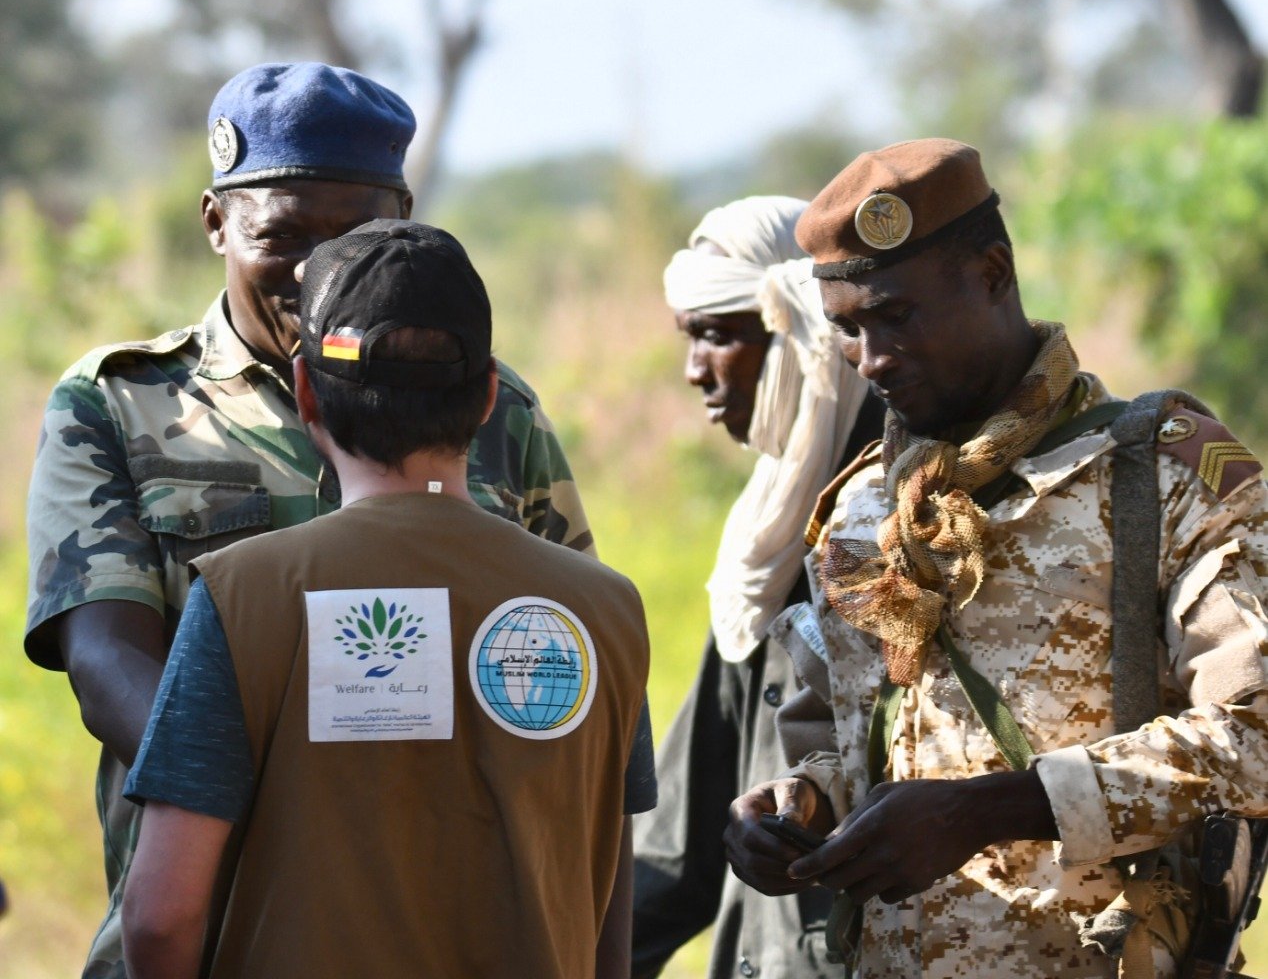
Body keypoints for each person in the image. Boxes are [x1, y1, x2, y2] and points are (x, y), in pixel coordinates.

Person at [24, 62, 595, 979]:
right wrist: (292, 800)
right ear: (216, 222)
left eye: (357, 232)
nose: (318, 271)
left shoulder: (492, 408)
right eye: (281, 235)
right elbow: (104, 658)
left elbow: (558, 657)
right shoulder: (123, 405)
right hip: (215, 924)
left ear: (404, 214)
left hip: (449, 925)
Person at [722, 139, 1268, 978]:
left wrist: (988, 810)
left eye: (895, 315)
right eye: (846, 331)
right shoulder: (868, 507)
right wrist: (800, 805)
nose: (870, 360)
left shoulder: (1164, 476)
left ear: (992, 271)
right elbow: (862, 744)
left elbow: (1253, 739)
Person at [119, 219, 654, 977]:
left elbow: (161, 916)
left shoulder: (244, 597)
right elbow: (607, 893)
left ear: (306, 392)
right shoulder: (606, 611)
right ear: (488, 398)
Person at [635, 196, 879, 978]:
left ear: (801, 330)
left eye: (716, 335)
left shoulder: (903, 511)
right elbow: (679, 843)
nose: (694, 369)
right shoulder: (768, 535)